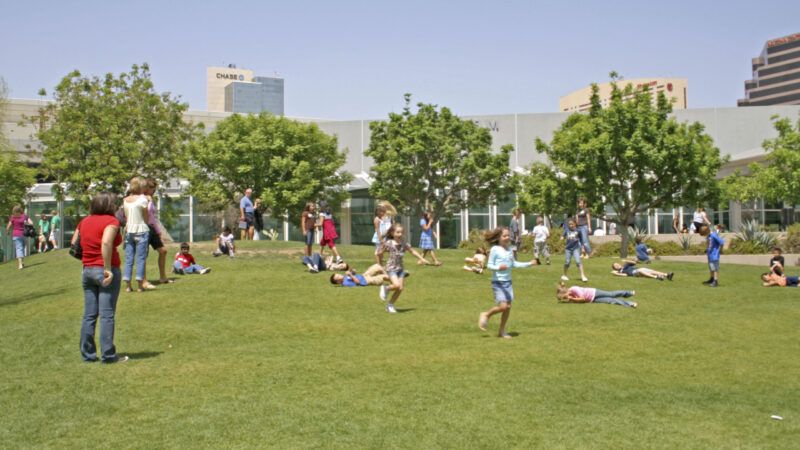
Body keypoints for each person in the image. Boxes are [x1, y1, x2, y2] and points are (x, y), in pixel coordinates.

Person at [73, 192, 127, 363]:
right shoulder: (111, 222)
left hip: (87, 270)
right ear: (109, 206)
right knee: (106, 314)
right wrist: (107, 268)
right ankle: (108, 355)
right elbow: (106, 242)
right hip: (104, 270)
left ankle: (88, 355)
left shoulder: (84, 221)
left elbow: (74, 242)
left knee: (89, 315)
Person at [477, 227, 537, 339]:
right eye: (504, 236)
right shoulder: (495, 249)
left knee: (508, 307)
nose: (507, 238)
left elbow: (514, 264)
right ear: (498, 238)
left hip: (508, 282)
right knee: (503, 306)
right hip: (498, 282)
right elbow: (489, 266)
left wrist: (529, 263)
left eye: (508, 235)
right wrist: (498, 267)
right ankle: (486, 314)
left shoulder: (510, 250)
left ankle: (502, 331)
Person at [376, 224, 426, 314]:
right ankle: (385, 288)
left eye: (401, 232)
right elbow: (379, 253)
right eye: (397, 232)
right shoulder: (389, 243)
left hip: (400, 269)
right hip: (391, 268)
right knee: (396, 285)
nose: (400, 234)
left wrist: (421, 258)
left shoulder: (404, 243)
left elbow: (412, 251)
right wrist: (380, 263)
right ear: (392, 233)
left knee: (400, 288)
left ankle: (390, 305)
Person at [122, 177, 152, 293]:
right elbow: (145, 216)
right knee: (141, 259)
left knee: (129, 259)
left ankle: (128, 286)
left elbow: (126, 216)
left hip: (130, 230)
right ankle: (140, 285)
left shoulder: (125, 200)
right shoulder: (143, 199)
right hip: (142, 230)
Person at [143, 179, 172, 286]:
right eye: (152, 189)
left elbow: (152, 217)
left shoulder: (150, 198)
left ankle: (163, 277)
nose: (153, 192)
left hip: (152, 228)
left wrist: (158, 231)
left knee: (163, 251)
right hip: (143, 228)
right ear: (146, 188)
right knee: (143, 255)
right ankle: (144, 280)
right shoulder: (140, 198)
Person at [556, 282, 637, 308]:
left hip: (594, 292)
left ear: (565, 292)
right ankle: (630, 304)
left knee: (611, 294)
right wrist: (572, 300)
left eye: (564, 297)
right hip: (592, 299)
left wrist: (572, 299)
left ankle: (628, 293)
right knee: (611, 301)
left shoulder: (574, 289)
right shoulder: (571, 296)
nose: (565, 299)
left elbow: (583, 298)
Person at [6, 205, 33, 270]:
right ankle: (21, 263)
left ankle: (20, 264)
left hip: (16, 234)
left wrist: (7, 231)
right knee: (22, 248)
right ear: (20, 210)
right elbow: (31, 223)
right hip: (24, 234)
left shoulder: (12, 217)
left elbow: (8, 226)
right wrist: (26, 224)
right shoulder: (24, 216)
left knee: (19, 248)